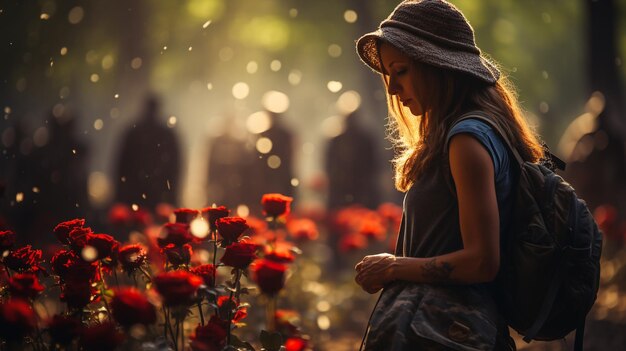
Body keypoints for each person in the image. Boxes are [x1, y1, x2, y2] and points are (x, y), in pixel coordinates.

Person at [353, 1, 544, 350]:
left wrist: (393, 267)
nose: (393, 88)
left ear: (437, 66)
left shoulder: (466, 141)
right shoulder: (470, 133)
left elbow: (482, 261)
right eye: (389, 75)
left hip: (449, 334)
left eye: (402, 71)